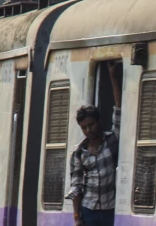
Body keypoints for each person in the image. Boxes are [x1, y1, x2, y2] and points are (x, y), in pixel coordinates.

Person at [65, 62, 122, 226]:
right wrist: (77, 217)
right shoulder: (79, 153)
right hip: (89, 211)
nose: (88, 130)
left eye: (91, 125)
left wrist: (113, 76)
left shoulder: (111, 141)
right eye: (84, 128)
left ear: (99, 122)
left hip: (110, 210)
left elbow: (118, 110)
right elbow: (76, 187)